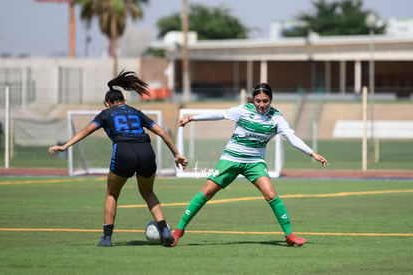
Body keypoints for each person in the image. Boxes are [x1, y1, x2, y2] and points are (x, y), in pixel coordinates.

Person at [171, 83, 328, 247]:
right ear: (253, 99)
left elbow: (291, 137)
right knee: (206, 192)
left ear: (271, 100)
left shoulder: (277, 118)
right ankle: (179, 231)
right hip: (231, 158)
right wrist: (191, 118)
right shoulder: (243, 110)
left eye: (265, 101)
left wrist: (312, 153)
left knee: (271, 195)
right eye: (258, 101)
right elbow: (220, 114)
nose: (261, 105)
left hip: (255, 163)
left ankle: (289, 235)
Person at [48, 70, 187, 247]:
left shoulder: (106, 114)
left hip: (124, 151)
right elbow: (161, 132)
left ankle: (107, 237)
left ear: (107, 104)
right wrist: (176, 153)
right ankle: (164, 230)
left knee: (112, 193)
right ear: (124, 101)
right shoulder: (135, 111)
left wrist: (65, 146)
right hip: (146, 151)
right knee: (148, 192)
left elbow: (86, 130)